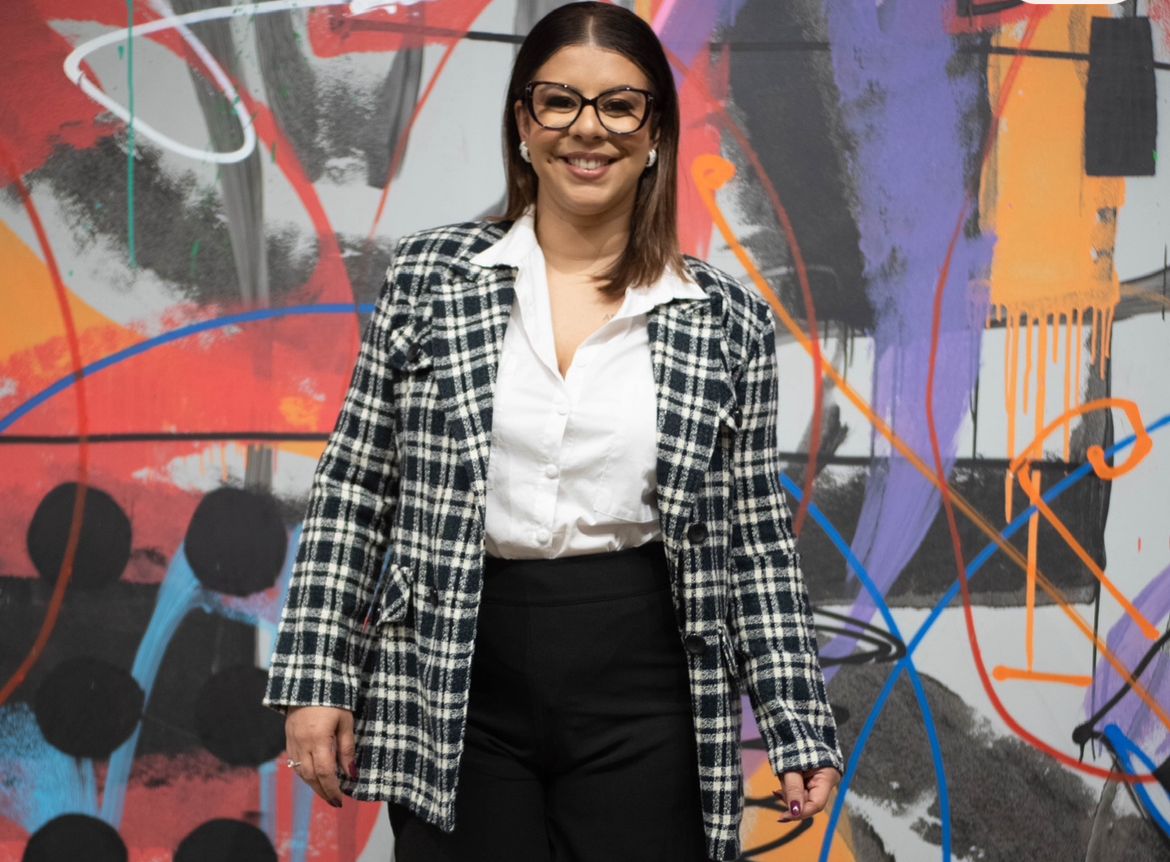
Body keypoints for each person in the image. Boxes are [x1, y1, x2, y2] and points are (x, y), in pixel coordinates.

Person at [263, 3, 843, 860]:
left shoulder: (727, 319)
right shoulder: (430, 277)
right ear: (524, 124)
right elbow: (356, 486)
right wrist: (317, 676)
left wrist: (796, 722)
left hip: (646, 678)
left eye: (620, 105)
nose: (589, 129)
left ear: (655, 134)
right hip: (455, 669)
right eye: (559, 102)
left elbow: (757, 540)